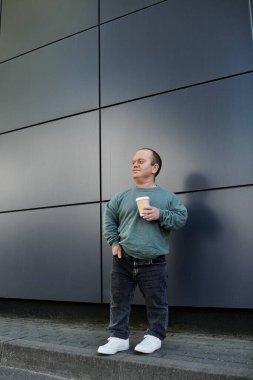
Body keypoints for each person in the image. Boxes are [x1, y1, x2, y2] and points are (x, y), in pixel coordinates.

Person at [97, 148, 187, 355]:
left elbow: (181, 218)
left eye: (141, 161)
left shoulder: (166, 197)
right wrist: (114, 242)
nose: (134, 164)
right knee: (118, 301)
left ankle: (155, 336)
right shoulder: (121, 197)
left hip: (153, 261)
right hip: (123, 260)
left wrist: (160, 214)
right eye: (133, 162)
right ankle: (119, 337)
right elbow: (109, 218)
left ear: (154, 168)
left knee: (157, 302)